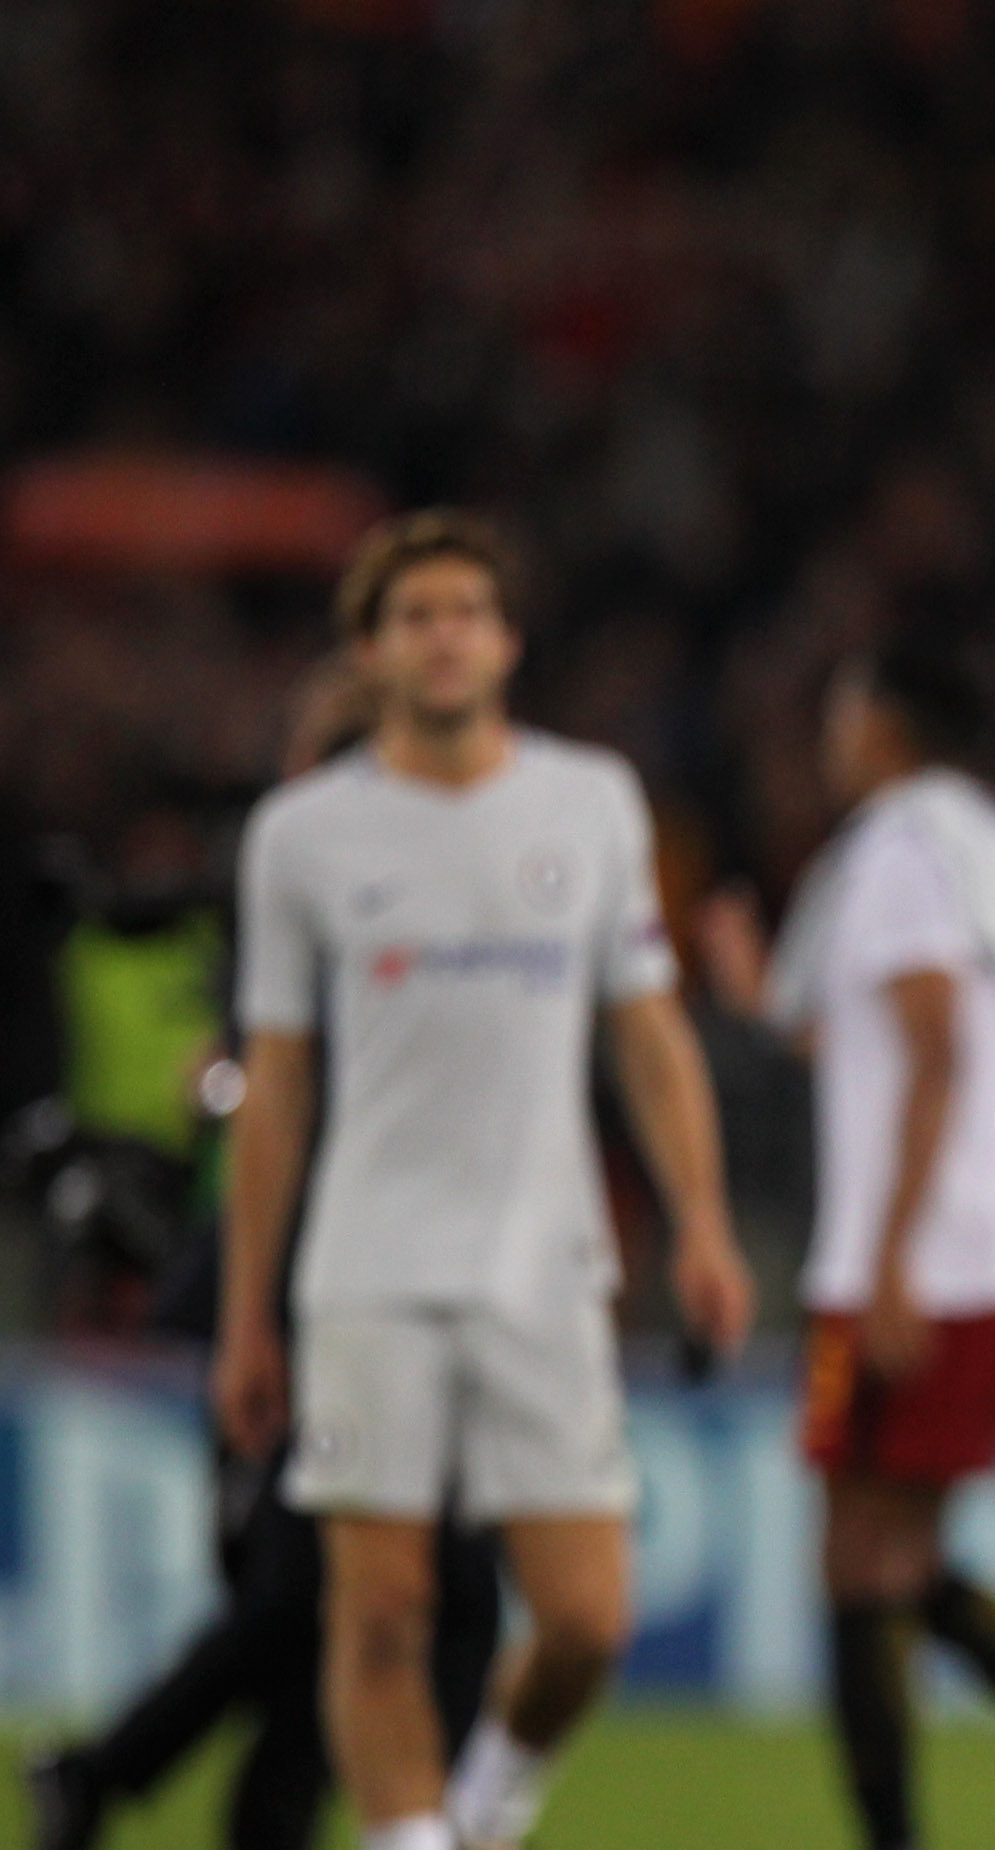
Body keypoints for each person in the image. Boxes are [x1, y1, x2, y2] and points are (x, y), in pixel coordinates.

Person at [210, 510, 757, 1850]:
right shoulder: (304, 834)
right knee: (379, 1610)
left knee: (586, 1615)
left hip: (545, 1263)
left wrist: (702, 1221)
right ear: (372, 650)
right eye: (416, 615)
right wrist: (246, 1306)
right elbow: (276, 1085)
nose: (445, 634)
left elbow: (648, 1030)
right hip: (369, 1267)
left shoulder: (590, 800)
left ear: (507, 641)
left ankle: (482, 1803)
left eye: (467, 610)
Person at [698, 638, 995, 1850]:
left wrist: (897, 1253)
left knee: (861, 1559)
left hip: (926, 1257)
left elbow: (930, 1050)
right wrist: (765, 992)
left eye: (847, 707)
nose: (832, 731)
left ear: (885, 725)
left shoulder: (901, 851)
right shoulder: (993, 851)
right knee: (885, 1559)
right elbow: (885, 1039)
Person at [25, 658, 507, 1850]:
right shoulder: (307, 915)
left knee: (336, 1612)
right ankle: (110, 1773)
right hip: (305, 1306)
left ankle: (108, 1775)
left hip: (379, 1302)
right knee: (313, 1596)